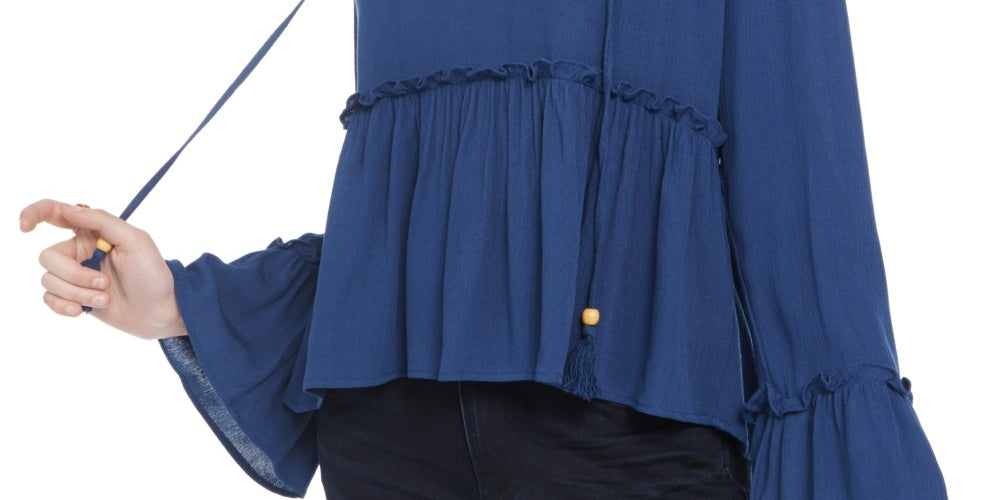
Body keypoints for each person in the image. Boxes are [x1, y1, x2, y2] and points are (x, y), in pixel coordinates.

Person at [20, 1, 947, 498]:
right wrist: (181, 302)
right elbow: (416, 210)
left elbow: (805, 210)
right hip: (388, 437)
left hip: (627, 440)